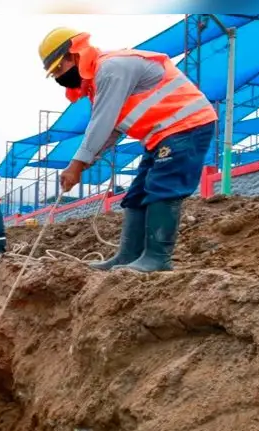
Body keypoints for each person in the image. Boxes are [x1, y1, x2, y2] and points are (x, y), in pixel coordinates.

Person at [39, 27, 217, 273]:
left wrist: (77, 163)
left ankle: (157, 259)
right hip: (160, 136)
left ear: (74, 55)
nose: (60, 77)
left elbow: (101, 122)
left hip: (186, 126)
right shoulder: (99, 80)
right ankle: (127, 256)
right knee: (136, 196)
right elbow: (112, 128)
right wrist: (89, 159)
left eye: (60, 68)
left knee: (163, 188)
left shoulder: (111, 69)